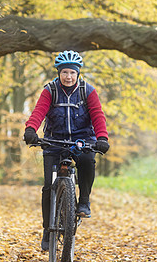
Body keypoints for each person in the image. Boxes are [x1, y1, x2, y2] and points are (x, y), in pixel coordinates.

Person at [23, 50, 110, 251]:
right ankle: (47, 229)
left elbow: (98, 116)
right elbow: (38, 112)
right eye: (64, 73)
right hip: (54, 140)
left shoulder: (87, 91)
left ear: (78, 73)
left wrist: (102, 138)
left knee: (88, 161)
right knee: (47, 186)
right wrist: (30, 129)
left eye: (72, 72)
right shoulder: (50, 90)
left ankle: (84, 201)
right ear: (59, 73)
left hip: (82, 140)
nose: (68, 76)